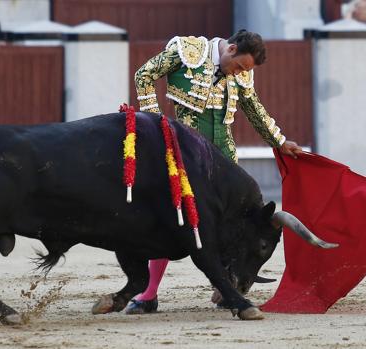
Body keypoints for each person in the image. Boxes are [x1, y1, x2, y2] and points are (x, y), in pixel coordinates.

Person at [126, 30, 303, 314]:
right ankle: (148, 293)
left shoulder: (242, 70)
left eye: (245, 70)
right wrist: (155, 123)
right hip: (186, 152)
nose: (239, 73)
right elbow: (143, 75)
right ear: (230, 49)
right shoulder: (187, 52)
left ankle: (226, 287)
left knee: (232, 224)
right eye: (239, 66)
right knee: (170, 216)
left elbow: (254, 108)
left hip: (225, 159)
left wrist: (280, 142)